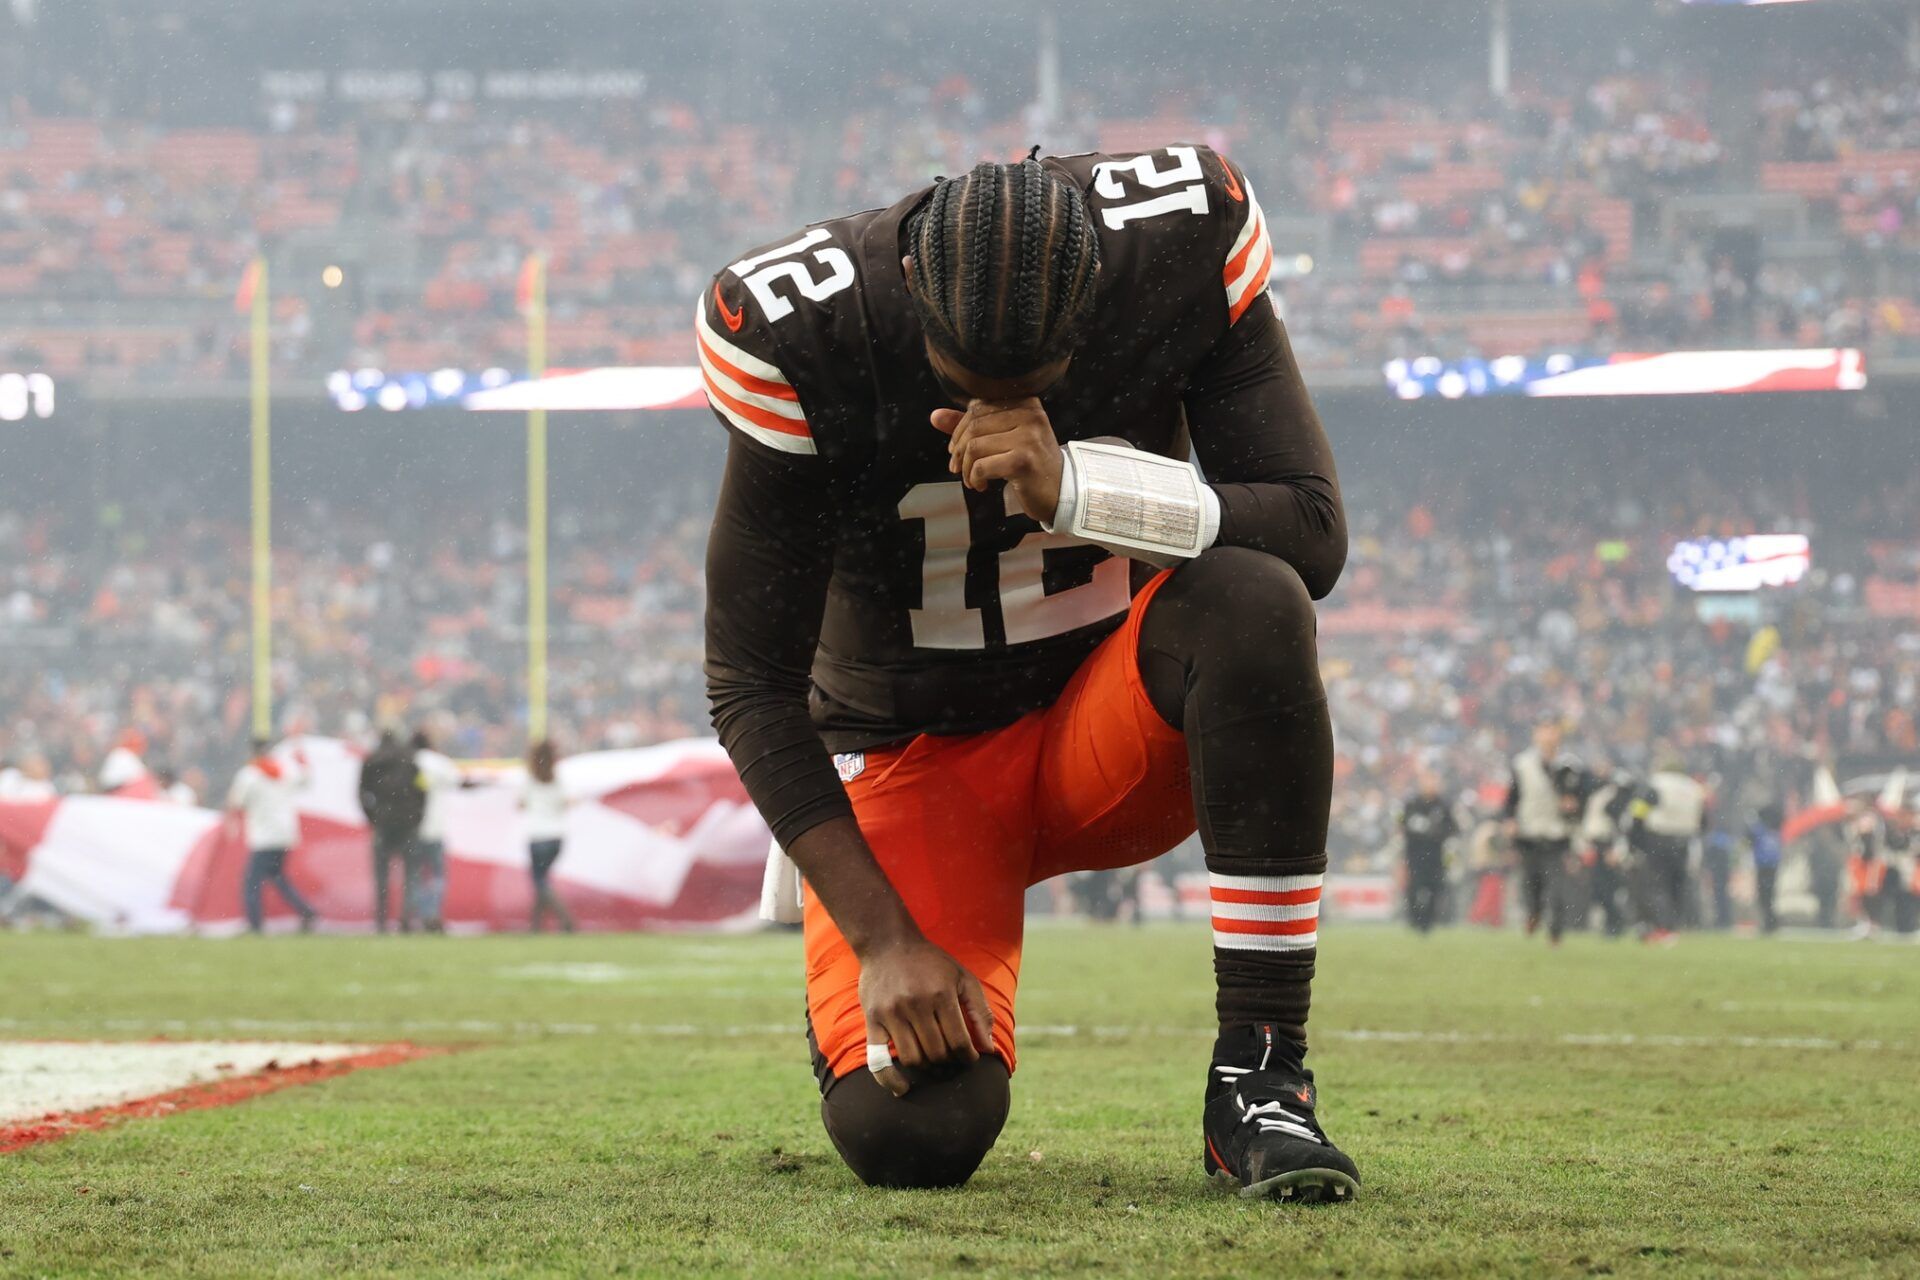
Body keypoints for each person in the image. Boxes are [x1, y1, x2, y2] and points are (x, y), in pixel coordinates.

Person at [701, 149, 1355, 1198]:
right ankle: (896, 956)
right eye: (966, 384)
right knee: (916, 1130)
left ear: (1093, 298)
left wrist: (1079, 482)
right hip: (916, 761)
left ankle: (1261, 1077)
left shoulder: (1181, 240)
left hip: (1109, 717)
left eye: (1034, 387)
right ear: (914, 293)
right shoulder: (803, 326)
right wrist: (886, 939)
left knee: (1253, 601)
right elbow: (748, 682)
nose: (996, 409)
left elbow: (1311, 531)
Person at [227, 737, 318, 934]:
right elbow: (305, 780)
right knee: (277, 877)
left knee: (251, 881)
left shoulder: (249, 775)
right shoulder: (283, 770)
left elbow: (238, 802)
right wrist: (303, 763)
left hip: (264, 837)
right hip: (285, 834)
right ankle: (306, 911)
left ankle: (254, 924)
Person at [1501, 721, 1576, 943]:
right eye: (1544, 731)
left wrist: (1573, 806)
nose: (1549, 736)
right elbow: (1511, 798)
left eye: (1553, 731)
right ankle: (1534, 914)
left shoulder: (1570, 765)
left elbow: (1581, 796)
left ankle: (1555, 933)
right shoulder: (1522, 764)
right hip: (1529, 834)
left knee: (1557, 888)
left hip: (1557, 834)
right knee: (1531, 884)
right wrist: (1510, 820)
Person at [1630, 752, 1709, 943]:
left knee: (1657, 885)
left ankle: (1662, 926)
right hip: (1683, 840)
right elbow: (1704, 820)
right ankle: (1673, 926)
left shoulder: (1656, 783)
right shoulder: (1694, 788)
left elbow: (1639, 810)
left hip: (1658, 838)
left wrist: (1636, 837)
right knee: (1677, 885)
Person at [358, 730, 426, 932]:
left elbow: (361, 793)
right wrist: (417, 816)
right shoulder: (409, 760)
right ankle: (406, 918)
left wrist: (373, 817)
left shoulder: (372, 761)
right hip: (407, 822)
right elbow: (422, 791)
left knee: (382, 875)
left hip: (383, 821)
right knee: (411, 874)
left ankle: (381, 919)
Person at [411, 729, 464, 933]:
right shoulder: (439, 762)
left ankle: (421, 915)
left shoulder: (407, 761)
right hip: (435, 827)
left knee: (415, 876)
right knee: (437, 875)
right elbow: (456, 780)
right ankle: (432, 913)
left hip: (413, 828)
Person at [519, 738, 575, 933]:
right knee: (542, 880)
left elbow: (520, 803)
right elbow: (567, 802)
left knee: (540, 881)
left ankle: (564, 918)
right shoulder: (557, 779)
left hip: (538, 837)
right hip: (557, 837)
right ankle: (535, 925)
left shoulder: (530, 779)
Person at [1398, 769, 1457, 933]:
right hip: (1415, 854)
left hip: (1436, 855)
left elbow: (1453, 828)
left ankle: (1428, 922)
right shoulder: (1412, 804)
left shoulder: (1443, 805)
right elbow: (1402, 824)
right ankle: (1414, 918)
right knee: (1414, 887)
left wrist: (1438, 834)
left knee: (1435, 888)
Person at [1748, 802, 1784, 934]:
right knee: (1769, 895)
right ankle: (1771, 921)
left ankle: (1769, 922)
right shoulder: (1776, 832)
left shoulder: (1758, 830)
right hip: (1772, 866)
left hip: (1763, 866)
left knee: (1764, 896)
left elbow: (1748, 842)